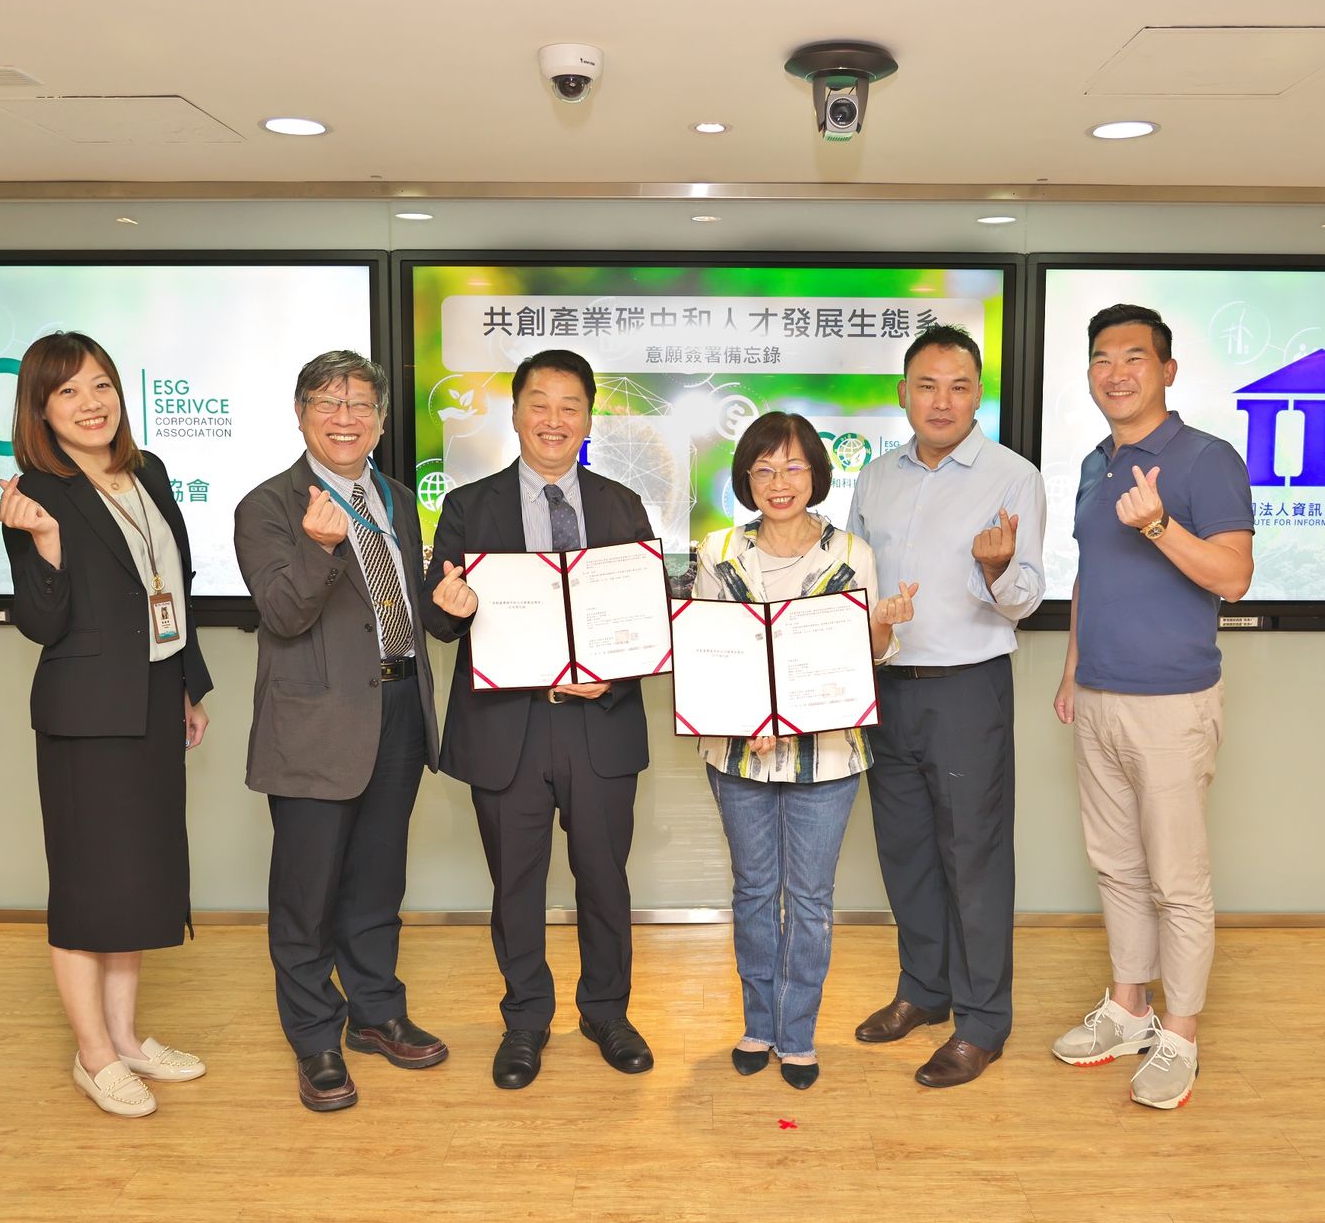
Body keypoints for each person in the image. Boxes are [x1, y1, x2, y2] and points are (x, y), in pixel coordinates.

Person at [421, 348, 656, 1090]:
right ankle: (525, 1020)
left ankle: (607, 1013)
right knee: (515, 885)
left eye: (570, 406)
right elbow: (442, 617)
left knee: (604, 879)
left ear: (589, 419)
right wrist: (448, 605)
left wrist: (615, 672)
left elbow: (645, 616)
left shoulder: (622, 505)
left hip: (599, 721)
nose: (554, 420)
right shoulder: (469, 506)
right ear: (517, 413)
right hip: (506, 728)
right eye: (539, 404)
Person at [0, 331, 214, 1119]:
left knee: (139, 875)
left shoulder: (147, 470)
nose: (90, 404)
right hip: (85, 715)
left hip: (154, 695)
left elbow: (174, 586)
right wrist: (47, 543)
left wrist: (188, 686)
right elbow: (40, 623)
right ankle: (94, 1056)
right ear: (41, 410)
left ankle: (126, 1038)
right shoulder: (35, 494)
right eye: (67, 392)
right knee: (89, 887)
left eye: (100, 385)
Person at [1049, 304, 1254, 1110]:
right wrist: (1072, 670)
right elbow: (1088, 577)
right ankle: (1130, 1008)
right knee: (1117, 866)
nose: (1117, 372)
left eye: (1134, 357)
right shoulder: (1095, 463)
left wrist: (1161, 524)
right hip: (1098, 696)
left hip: (1172, 703)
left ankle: (1181, 1035)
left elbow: (1234, 577)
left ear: (1167, 370)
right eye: (1102, 358)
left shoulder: (1207, 459)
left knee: (1177, 880)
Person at [234, 349, 448, 1113]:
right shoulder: (266, 506)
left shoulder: (397, 498)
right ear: (301, 415)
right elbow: (282, 614)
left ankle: (376, 1012)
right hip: (316, 724)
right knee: (308, 895)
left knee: (378, 882)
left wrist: (450, 606)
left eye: (361, 404)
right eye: (328, 402)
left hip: (400, 708)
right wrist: (320, 547)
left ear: (382, 422)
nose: (346, 417)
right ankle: (315, 1039)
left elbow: (407, 604)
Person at [847, 324, 1046, 1088]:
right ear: (903, 393)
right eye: (927, 386)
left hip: (967, 690)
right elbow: (853, 584)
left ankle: (983, 1020)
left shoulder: (1011, 476)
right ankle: (923, 990)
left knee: (975, 858)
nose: (942, 401)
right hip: (885, 686)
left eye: (959, 387)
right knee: (905, 851)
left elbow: (1025, 598)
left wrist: (997, 570)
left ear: (978, 395)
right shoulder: (875, 478)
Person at [693, 412, 915, 1091]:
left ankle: (798, 1035)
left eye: (792, 466)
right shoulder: (718, 551)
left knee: (811, 900)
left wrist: (883, 627)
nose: (779, 481)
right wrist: (748, 716)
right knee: (754, 891)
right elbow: (709, 653)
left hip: (829, 757)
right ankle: (758, 1025)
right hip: (740, 754)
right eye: (763, 469)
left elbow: (865, 660)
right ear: (746, 479)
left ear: (817, 473)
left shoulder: (851, 553)